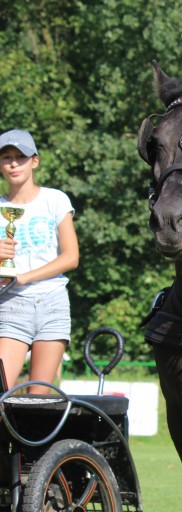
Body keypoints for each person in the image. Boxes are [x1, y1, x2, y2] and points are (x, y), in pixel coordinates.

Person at [0, 130, 79, 394]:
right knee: (2, 393)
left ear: (35, 161)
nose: (13, 164)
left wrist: (24, 276)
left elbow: (71, 257)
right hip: (10, 306)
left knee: (38, 403)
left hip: (52, 304)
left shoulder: (55, 200)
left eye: (20, 157)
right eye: (6, 158)